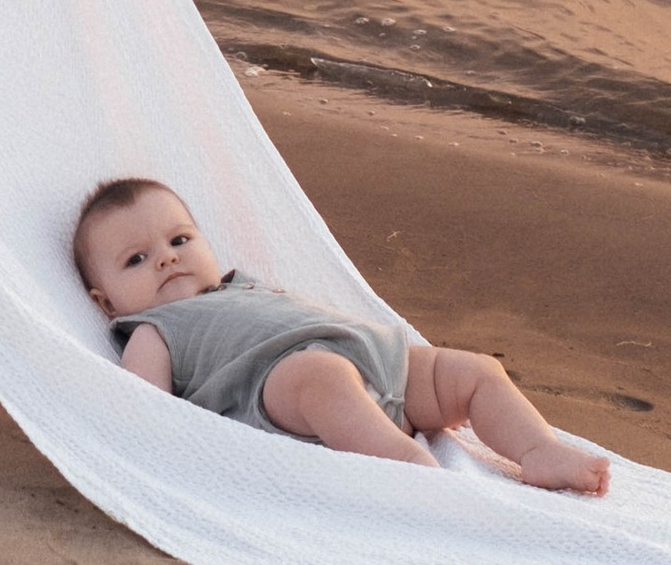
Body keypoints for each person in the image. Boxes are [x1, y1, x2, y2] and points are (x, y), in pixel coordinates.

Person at [73, 180, 612, 493]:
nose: (166, 257)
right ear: (106, 303)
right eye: (137, 259)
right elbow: (144, 408)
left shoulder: (241, 284)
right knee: (320, 376)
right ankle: (404, 464)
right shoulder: (152, 330)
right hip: (285, 388)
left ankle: (537, 449)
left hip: (378, 365)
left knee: (474, 371)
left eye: (179, 238)